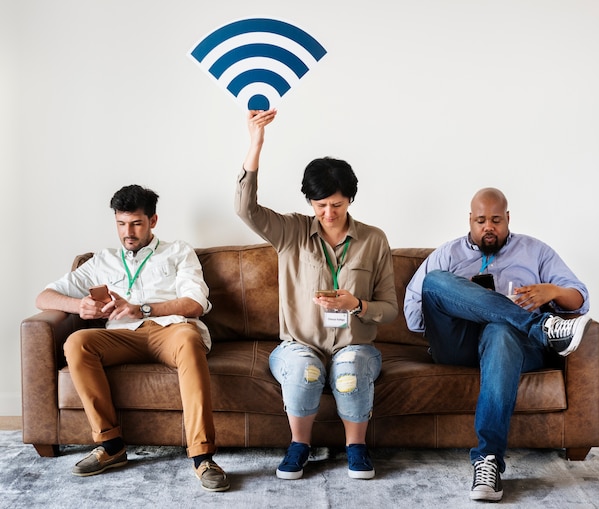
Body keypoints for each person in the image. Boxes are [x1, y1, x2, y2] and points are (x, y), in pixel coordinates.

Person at [236, 109, 398, 480]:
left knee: (350, 371)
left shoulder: (374, 239)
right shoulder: (289, 232)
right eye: (320, 205)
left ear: (350, 200)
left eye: (337, 205)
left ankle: (356, 447)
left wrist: (356, 305)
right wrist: (256, 143)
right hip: (299, 345)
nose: (328, 213)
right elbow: (245, 208)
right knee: (305, 370)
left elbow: (389, 311)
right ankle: (300, 446)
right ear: (309, 202)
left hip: (354, 347)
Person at [36, 184, 230, 492]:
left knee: (189, 340)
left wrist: (142, 309)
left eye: (136, 223)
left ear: (153, 221)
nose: (128, 232)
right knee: (77, 342)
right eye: (121, 223)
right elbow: (44, 297)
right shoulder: (103, 260)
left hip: (171, 330)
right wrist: (79, 305)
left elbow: (194, 304)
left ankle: (202, 456)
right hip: (122, 337)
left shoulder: (178, 251)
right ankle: (111, 446)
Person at [403, 187, 591, 502]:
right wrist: (466, 302)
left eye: (495, 220)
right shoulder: (449, 254)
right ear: (470, 221)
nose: (488, 227)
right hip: (457, 346)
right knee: (435, 281)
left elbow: (580, 298)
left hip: (511, 349)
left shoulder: (535, 251)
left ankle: (487, 460)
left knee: (499, 331)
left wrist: (551, 292)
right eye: (480, 221)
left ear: (507, 218)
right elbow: (413, 318)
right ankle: (542, 327)